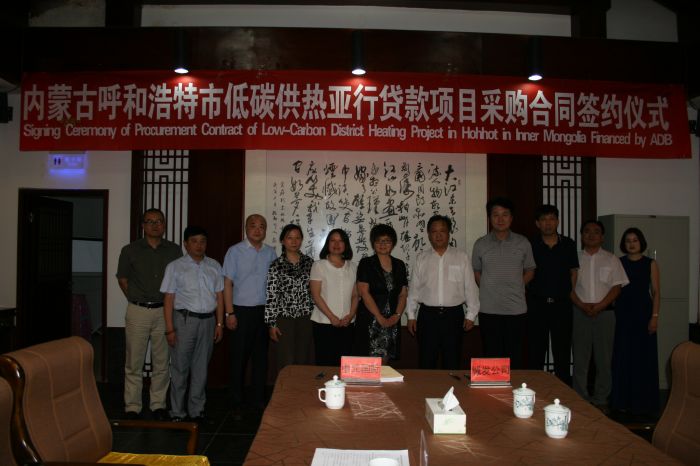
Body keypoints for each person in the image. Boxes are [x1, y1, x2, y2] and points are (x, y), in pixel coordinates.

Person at [116, 208, 182, 420]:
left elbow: (179, 280)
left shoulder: (174, 250)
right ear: (143, 225)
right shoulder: (130, 250)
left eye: (159, 221)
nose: (155, 225)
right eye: (150, 221)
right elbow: (123, 279)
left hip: (164, 311)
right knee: (134, 362)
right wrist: (136, 297)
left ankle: (158, 405)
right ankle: (132, 406)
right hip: (138, 311)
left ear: (164, 225)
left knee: (161, 362)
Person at [161, 226, 224, 422]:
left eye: (202, 241)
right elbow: (168, 299)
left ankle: (197, 409)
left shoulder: (214, 265)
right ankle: (177, 411)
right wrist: (169, 329)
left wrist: (219, 324)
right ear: (186, 244)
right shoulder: (175, 266)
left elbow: (219, 296)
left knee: (201, 368)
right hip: (184, 321)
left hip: (208, 321)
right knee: (180, 367)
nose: (199, 245)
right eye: (194, 241)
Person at [406, 215, 480, 369]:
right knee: (426, 361)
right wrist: (411, 316)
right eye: (434, 231)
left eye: (442, 231)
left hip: (454, 316)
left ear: (449, 233)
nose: (438, 235)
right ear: (428, 234)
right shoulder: (422, 258)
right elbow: (414, 290)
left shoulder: (461, 257)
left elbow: (470, 288)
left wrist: (471, 315)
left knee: (452, 362)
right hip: (427, 317)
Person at [571, 220, 629, 413]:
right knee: (580, 359)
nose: (591, 235)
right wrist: (582, 305)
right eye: (587, 231)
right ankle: (580, 398)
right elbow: (568, 287)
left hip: (605, 314)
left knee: (604, 359)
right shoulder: (574, 258)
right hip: (579, 313)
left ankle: (601, 398)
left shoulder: (612, 259)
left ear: (602, 237)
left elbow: (617, 288)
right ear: (581, 236)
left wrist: (599, 306)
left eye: (596, 232)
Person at [472, 197, 535, 369]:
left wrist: (517, 285)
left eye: (505, 215)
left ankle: (513, 387)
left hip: (516, 310)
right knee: (491, 356)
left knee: (514, 357)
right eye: (495, 215)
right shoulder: (480, 244)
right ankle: (493, 387)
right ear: (489, 218)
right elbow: (476, 271)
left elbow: (530, 270)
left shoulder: (523, 242)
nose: (500, 219)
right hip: (489, 310)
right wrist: (488, 286)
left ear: (511, 218)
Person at [223, 214, 277, 413]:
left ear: (265, 231)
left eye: (262, 226)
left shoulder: (270, 252)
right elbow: (227, 283)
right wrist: (229, 313)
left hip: (262, 312)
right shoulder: (235, 251)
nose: (257, 230)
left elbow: (274, 285)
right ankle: (235, 403)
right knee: (238, 359)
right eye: (253, 226)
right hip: (240, 311)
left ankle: (258, 401)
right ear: (246, 228)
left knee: (261, 359)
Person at [611, 227, 661, 416]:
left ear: (641, 242)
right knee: (623, 357)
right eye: (628, 241)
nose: (631, 244)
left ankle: (644, 403)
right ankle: (621, 402)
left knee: (643, 359)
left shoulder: (650, 263)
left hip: (643, 314)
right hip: (623, 314)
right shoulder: (618, 262)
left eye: (635, 240)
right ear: (623, 244)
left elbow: (656, 292)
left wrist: (654, 317)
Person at [527, 204, 579, 385]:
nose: (548, 223)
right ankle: (534, 389)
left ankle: (562, 391)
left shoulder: (568, 244)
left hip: (562, 304)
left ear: (557, 221)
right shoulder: (530, 244)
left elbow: (573, 272)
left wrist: (569, 293)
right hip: (536, 304)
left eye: (551, 219)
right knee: (535, 351)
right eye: (543, 220)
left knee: (562, 351)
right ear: (537, 223)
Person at [355, 224, 409, 363]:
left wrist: (397, 316)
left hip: (392, 319)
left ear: (393, 243)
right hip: (370, 319)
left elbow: (403, 294)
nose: (383, 244)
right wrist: (379, 317)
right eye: (379, 241)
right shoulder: (366, 263)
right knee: (368, 363)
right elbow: (364, 292)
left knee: (385, 361)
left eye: (387, 241)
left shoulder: (400, 265)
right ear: (373, 243)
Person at [265, 224, 315, 371]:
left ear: (302, 240)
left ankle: (301, 386)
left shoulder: (310, 263)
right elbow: (271, 295)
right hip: (284, 318)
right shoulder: (276, 265)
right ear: (282, 241)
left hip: (306, 317)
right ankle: (286, 386)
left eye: (297, 238)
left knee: (303, 359)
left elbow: (315, 292)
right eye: (289, 238)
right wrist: (271, 324)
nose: (294, 241)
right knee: (286, 360)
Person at [309, 228, 359, 366]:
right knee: (325, 364)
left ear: (346, 244)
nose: (336, 244)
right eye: (333, 240)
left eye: (340, 241)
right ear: (327, 244)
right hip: (324, 323)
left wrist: (350, 315)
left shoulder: (353, 267)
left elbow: (355, 295)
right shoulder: (319, 265)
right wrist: (332, 317)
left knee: (345, 365)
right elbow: (316, 295)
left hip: (347, 323)